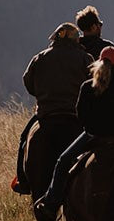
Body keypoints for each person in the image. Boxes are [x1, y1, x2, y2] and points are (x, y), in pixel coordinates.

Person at [34, 46, 114, 221]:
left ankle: (51, 203)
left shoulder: (88, 87)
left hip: (95, 137)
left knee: (63, 161)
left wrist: (93, 128)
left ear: (99, 62)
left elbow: (81, 114)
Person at [16, 23, 93, 194]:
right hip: (76, 118)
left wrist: (43, 95)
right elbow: (94, 86)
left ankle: (23, 181)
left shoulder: (40, 57)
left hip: (46, 115)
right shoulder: (85, 59)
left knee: (24, 141)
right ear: (76, 40)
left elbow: (28, 82)